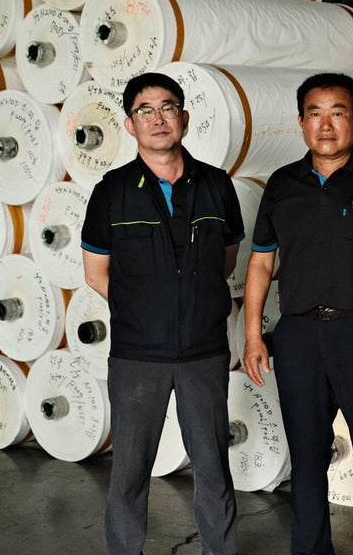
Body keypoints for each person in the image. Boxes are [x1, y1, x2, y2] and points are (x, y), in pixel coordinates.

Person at [242, 72, 353, 555]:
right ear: (301, 122)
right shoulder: (282, 185)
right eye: (315, 114)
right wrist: (254, 335)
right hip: (298, 337)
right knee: (305, 461)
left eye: (337, 113)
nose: (326, 125)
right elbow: (260, 263)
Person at [81, 72, 244, 555]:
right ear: (130, 125)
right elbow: (96, 273)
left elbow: (227, 261)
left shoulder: (217, 185)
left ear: (185, 117)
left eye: (168, 107)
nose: (158, 119)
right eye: (145, 111)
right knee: (129, 471)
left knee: (213, 468)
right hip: (137, 357)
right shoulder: (112, 190)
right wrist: (145, 312)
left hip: (204, 352)